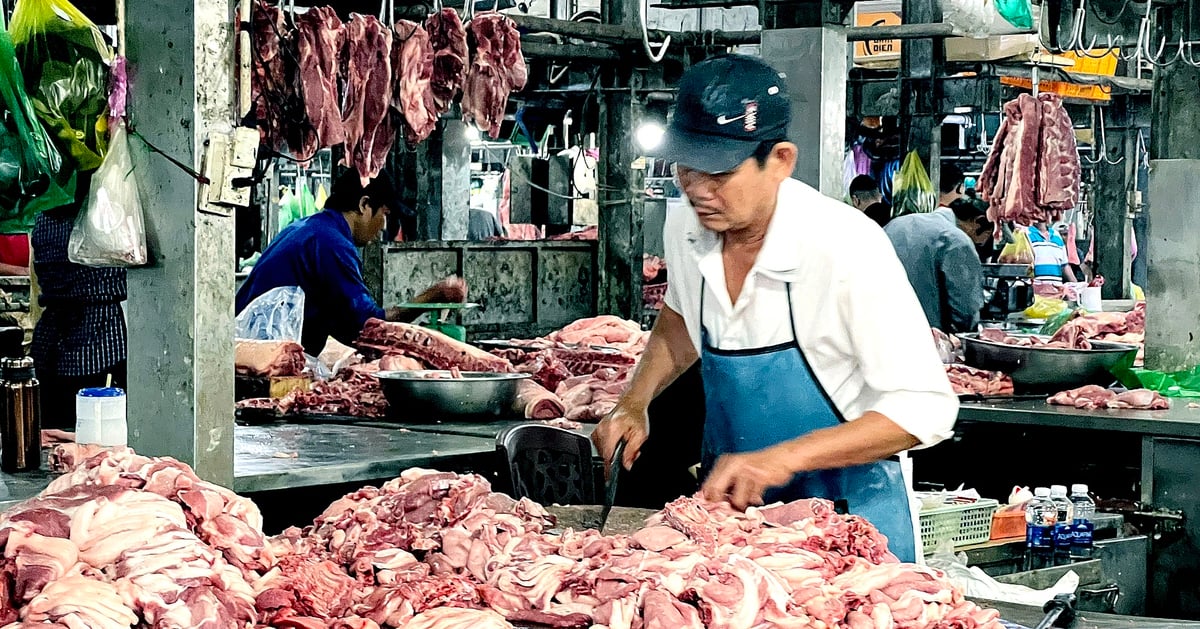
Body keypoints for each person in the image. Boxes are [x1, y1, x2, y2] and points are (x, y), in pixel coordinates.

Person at [589, 54, 957, 563]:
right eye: (685, 166)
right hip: (729, 528)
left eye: (718, 170)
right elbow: (679, 318)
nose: (696, 187)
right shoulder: (689, 226)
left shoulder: (845, 247)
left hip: (850, 532)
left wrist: (783, 459)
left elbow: (926, 408)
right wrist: (636, 400)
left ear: (780, 160)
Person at [236, 170, 466, 354]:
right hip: (264, 362)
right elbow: (369, 326)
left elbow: (344, 324)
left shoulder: (309, 228)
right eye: (385, 214)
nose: (385, 226)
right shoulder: (332, 243)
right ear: (364, 204)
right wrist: (432, 296)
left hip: (251, 349)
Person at [31, 203, 127, 429]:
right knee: (98, 437)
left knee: (56, 437)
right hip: (100, 342)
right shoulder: (108, 209)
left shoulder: (43, 211)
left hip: (52, 344)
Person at [884, 166, 985, 333]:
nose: (979, 245)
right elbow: (966, 308)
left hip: (879, 332)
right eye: (983, 240)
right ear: (978, 222)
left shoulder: (897, 224)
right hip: (926, 340)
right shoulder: (957, 241)